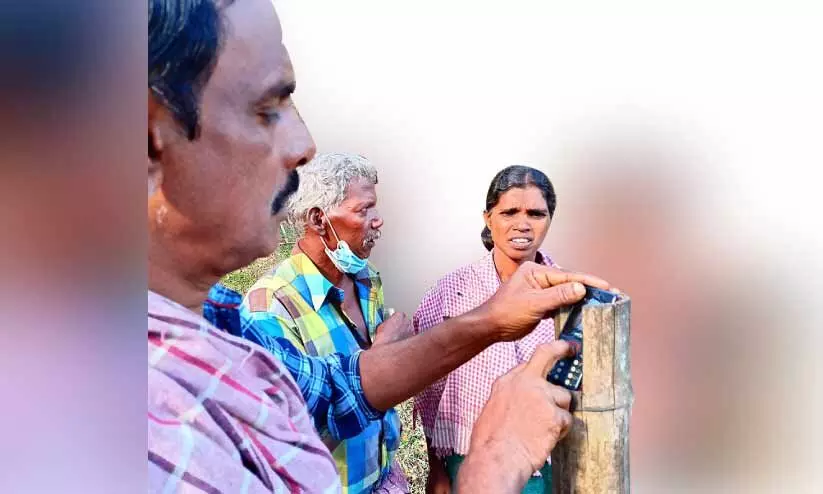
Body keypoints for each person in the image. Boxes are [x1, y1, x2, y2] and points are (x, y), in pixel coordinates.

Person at [147, 0, 610, 492]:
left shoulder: (222, 321)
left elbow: (333, 390)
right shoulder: (159, 428)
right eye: (266, 110)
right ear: (151, 139)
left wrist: (490, 321)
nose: (303, 144)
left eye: (536, 214)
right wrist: (491, 465)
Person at [241, 152, 409, 493]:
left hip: (381, 480)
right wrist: (384, 357)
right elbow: (284, 427)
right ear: (319, 220)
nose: (378, 221)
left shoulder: (365, 279)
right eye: (364, 210)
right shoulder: (271, 305)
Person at [415, 165, 560, 494]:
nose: (522, 224)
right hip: (467, 463)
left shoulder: (568, 297)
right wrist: (437, 473)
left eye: (536, 214)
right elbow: (429, 389)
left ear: (550, 220)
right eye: (509, 212)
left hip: (547, 466)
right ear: (488, 218)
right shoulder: (451, 292)